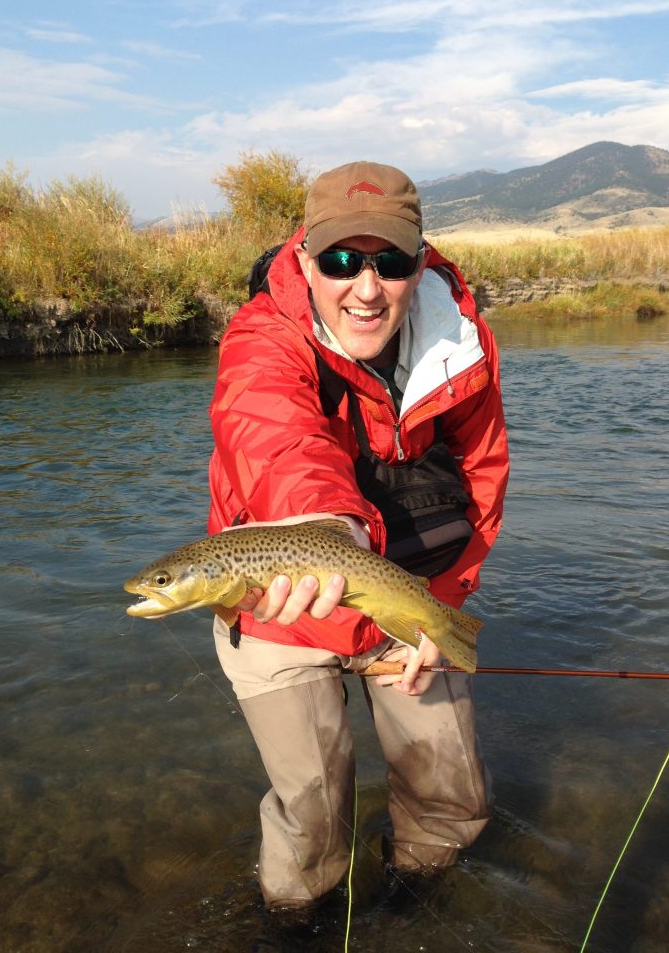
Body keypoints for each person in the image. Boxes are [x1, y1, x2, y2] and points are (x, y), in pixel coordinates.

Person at [207, 160, 509, 916]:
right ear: (306, 259)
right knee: (313, 816)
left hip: (406, 596)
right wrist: (327, 531)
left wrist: (440, 608)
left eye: (390, 263)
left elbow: (482, 478)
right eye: (342, 261)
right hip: (283, 601)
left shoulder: (462, 343)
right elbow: (277, 440)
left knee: (451, 795)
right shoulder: (261, 339)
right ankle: (297, 924)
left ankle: (417, 907)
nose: (366, 289)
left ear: (421, 263)